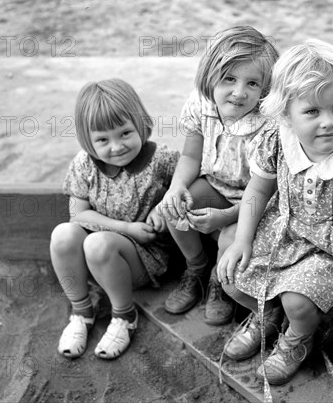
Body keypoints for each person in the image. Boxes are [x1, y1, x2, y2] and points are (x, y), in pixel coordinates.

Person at [217, 39, 333, 385]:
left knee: (298, 301)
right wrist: (242, 240)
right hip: (282, 230)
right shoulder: (276, 138)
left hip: (330, 249)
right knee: (232, 274)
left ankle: (297, 338)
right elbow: (258, 189)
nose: (328, 122)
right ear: (286, 113)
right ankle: (266, 315)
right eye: (312, 112)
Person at [158, 26, 279, 325]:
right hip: (215, 186)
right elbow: (190, 155)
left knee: (229, 238)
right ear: (210, 75)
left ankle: (219, 281)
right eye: (229, 79)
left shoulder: (268, 124)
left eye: (252, 83)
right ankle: (196, 269)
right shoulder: (201, 104)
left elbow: (268, 192)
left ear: (265, 89)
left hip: (253, 204)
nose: (239, 92)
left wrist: (226, 217)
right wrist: (176, 187)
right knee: (173, 207)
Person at [50, 78, 179, 359]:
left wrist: (163, 207)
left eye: (124, 133)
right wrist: (126, 228)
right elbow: (78, 213)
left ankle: (124, 316)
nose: (117, 146)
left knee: (98, 244)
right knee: (63, 234)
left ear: (140, 123)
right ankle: (81, 311)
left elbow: (189, 183)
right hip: (100, 249)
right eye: (102, 140)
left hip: (144, 257)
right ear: (88, 139)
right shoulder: (85, 164)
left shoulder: (162, 160)